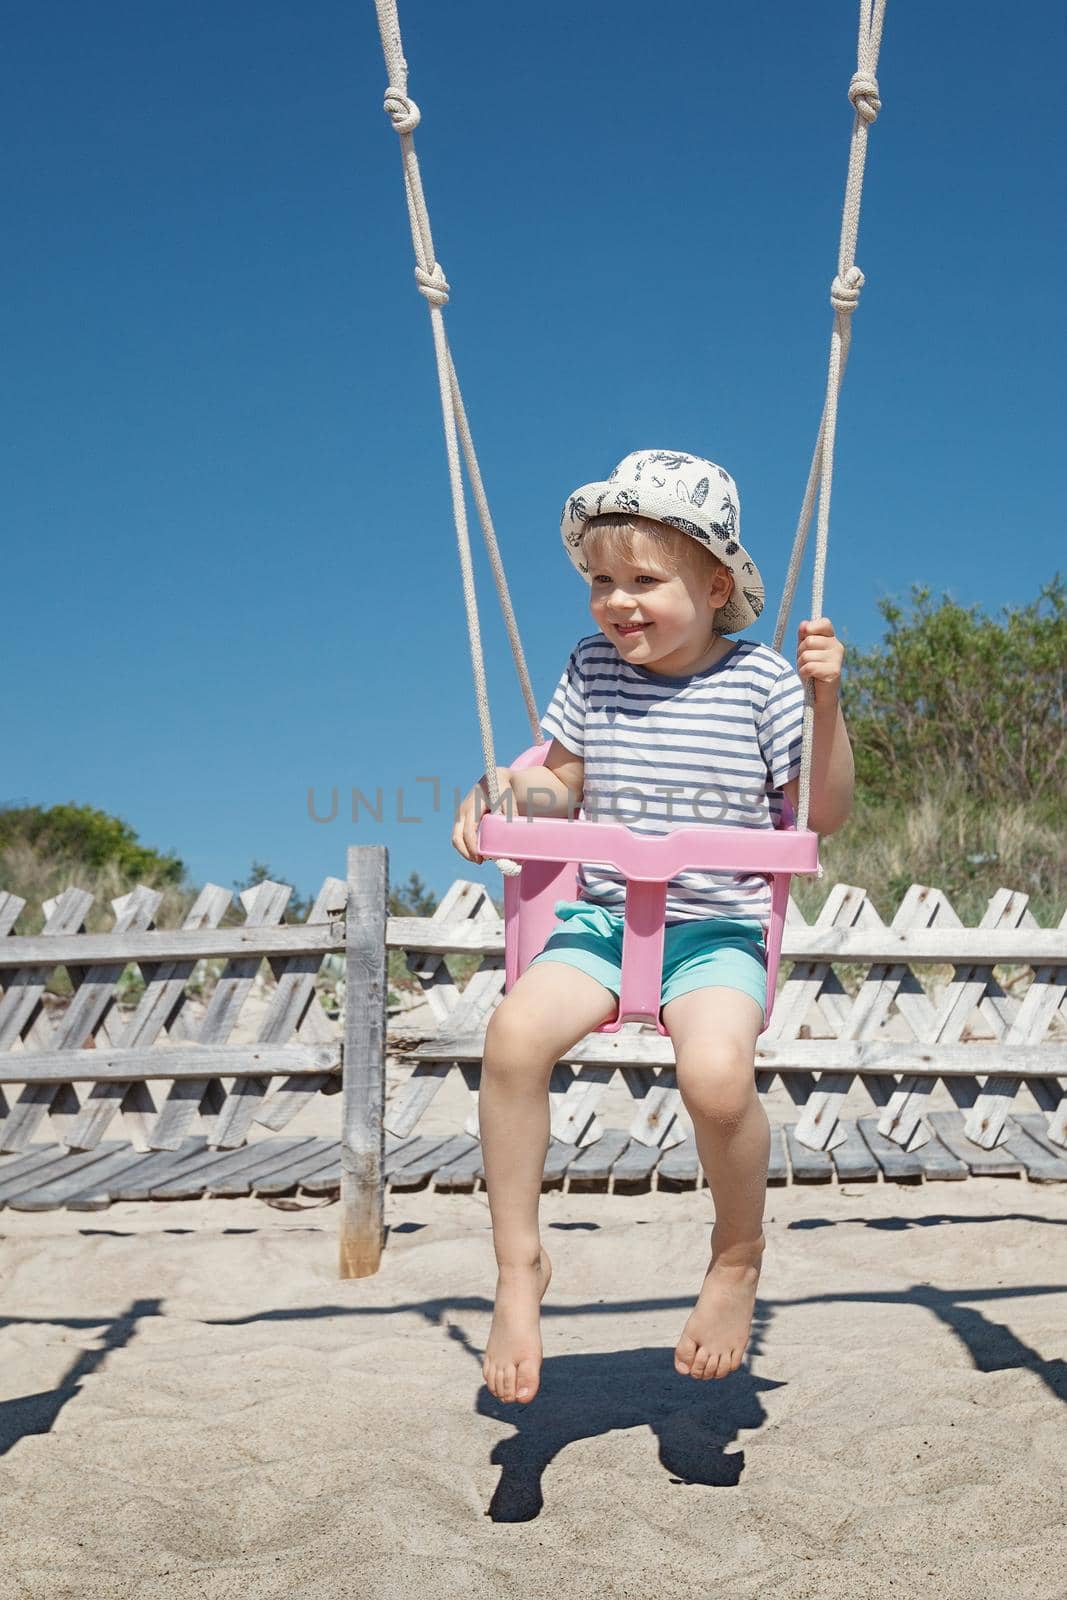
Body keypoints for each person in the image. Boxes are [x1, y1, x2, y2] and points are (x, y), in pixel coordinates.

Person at [453, 448, 854, 1405]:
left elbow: (821, 814)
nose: (615, 602)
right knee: (511, 1038)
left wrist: (826, 701)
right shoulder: (592, 669)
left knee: (715, 1082)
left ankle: (736, 1253)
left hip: (714, 928)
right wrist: (501, 791)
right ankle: (518, 1268)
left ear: (716, 587)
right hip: (599, 920)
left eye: (643, 580)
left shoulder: (763, 687)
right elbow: (560, 782)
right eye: (600, 580)